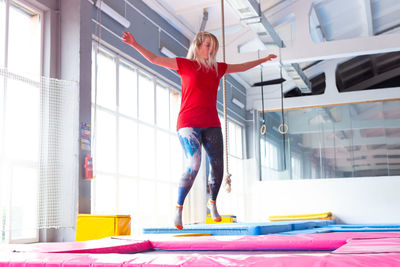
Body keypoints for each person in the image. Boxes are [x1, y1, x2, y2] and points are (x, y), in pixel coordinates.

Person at [122, 31, 276, 230]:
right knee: (194, 163)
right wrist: (135, 43)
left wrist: (263, 59)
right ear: (197, 46)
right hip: (188, 123)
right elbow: (154, 58)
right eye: (207, 46)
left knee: (218, 165)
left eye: (213, 47)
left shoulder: (217, 69)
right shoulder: (184, 65)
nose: (210, 50)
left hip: (211, 122)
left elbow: (243, 66)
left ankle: (212, 203)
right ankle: (178, 208)